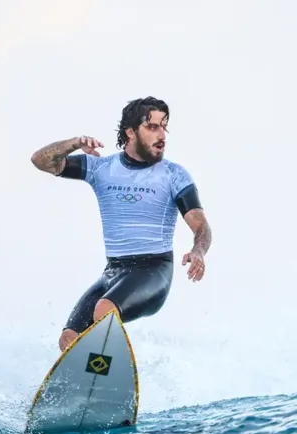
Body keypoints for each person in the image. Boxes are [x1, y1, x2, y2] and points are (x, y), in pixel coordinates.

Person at [29, 96, 212, 351]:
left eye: (164, 127)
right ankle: (87, 384)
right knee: (69, 338)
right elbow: (41, 161)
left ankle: (105, 372)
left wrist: (198, 251)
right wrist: (74, 143)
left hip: (154, 270)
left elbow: (200, 226)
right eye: (152, 127)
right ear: (130, 132)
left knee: (104, 310)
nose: (161, 135)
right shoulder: (101, 168)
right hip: (113, 272)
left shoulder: (174, 175)